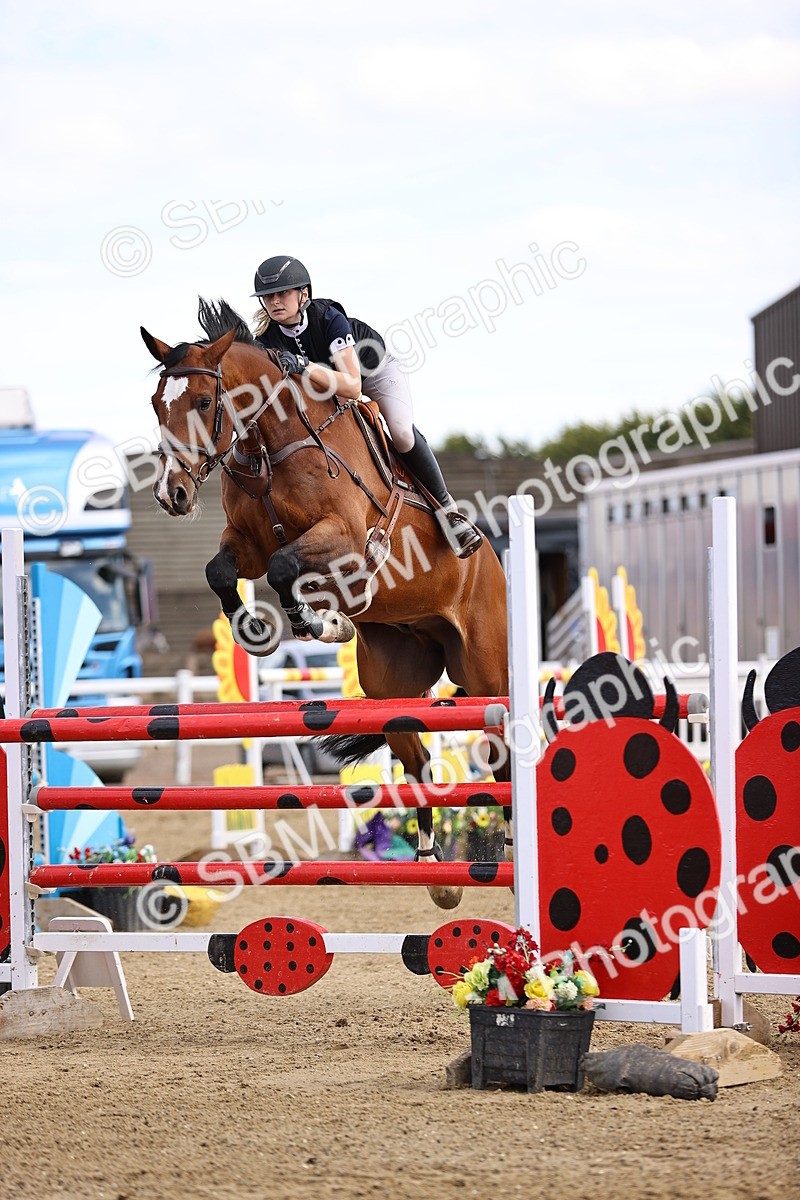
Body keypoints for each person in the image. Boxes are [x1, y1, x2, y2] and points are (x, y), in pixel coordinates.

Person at [251, 255, 483, 559]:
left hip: (372, 374)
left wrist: (304, 366)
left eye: (283, 293)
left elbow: (352, 386)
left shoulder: (329, 318)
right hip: (322, 389)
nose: (274, 301)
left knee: (400, 432)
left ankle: (449, 512)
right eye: (268, 296)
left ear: (303, 294)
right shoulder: (265, 340)